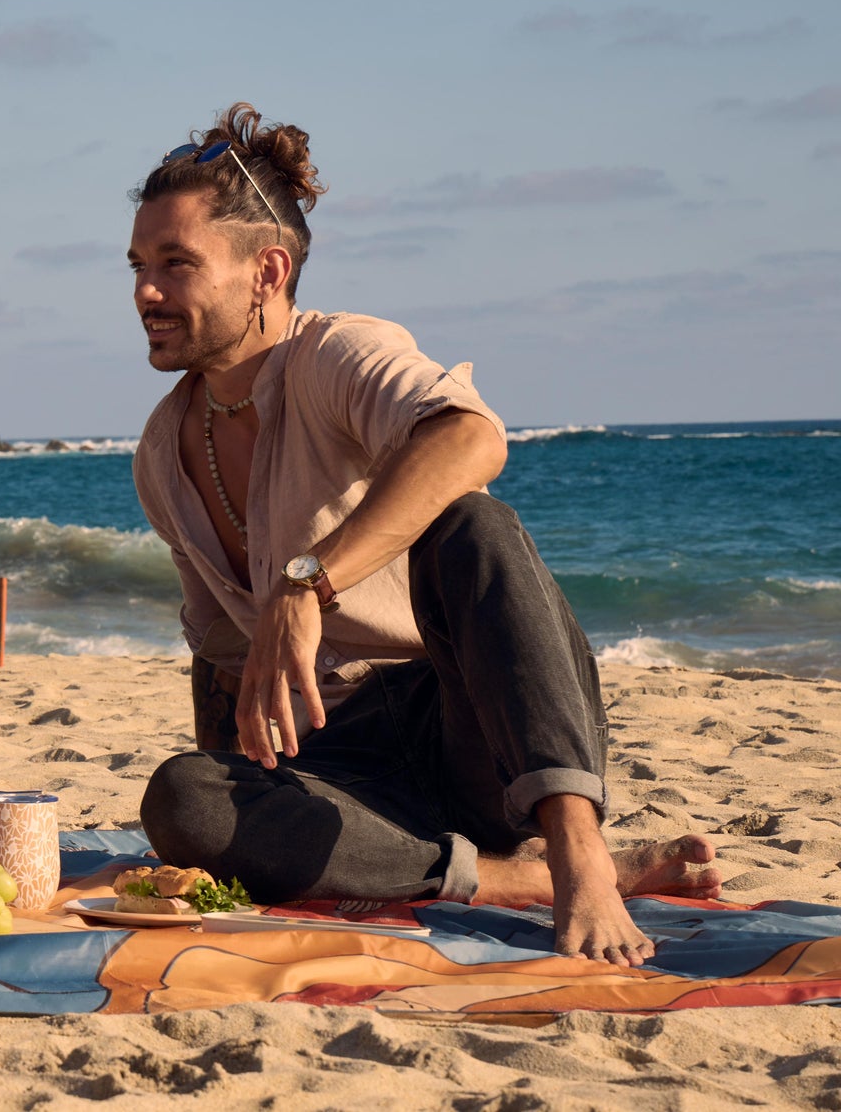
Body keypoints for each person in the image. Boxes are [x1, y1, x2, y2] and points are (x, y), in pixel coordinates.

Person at [127, 103, 719, 965]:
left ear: (267, 270)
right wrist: (226, 823)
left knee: (474, 526)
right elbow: (223, 663)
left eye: (176, 264)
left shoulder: (337, 356)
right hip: (341, 761)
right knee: (181, 796)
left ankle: (580, 856)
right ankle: (513, 879)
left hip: (464, 719)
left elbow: (471, 437)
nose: (146, 291)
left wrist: (307, 582)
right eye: (139, 265)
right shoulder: (158, 452)